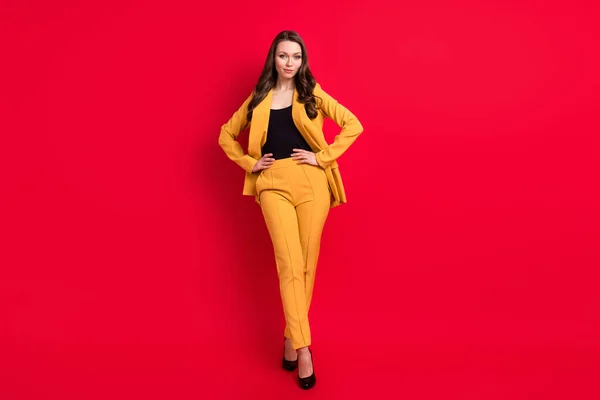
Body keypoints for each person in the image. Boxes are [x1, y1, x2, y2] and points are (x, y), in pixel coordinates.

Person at [218, 30, 363, 390]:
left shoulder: (311, 93)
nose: (289, 63)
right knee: (287, 262)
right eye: (283, 56)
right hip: (272, 183)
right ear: (274, 59)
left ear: (302, 61)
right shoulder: (260, 97)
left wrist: (322, 156)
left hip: (312, 183)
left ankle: (288, 338)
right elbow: (225, 134)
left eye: (296, 57)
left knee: (305, 265)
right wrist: (248, 161)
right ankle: (304, 348)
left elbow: (352, 124)